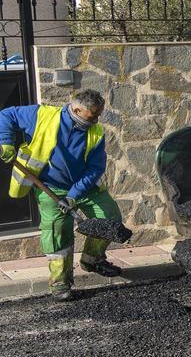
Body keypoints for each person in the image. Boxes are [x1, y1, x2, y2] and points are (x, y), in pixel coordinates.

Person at [0, 89, 124, 301]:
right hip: (51, 186)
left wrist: (74, 195)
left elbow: (95, 168)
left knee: (109, 217)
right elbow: (6, 114)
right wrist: (6, 141)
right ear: (76, 109)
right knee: (58, 230)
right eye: (93, 115)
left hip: (83, 187)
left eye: (98, 115)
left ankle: (92, 260)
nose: (96, 119)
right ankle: (60, 282)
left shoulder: (96, 132)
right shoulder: (41, 116)